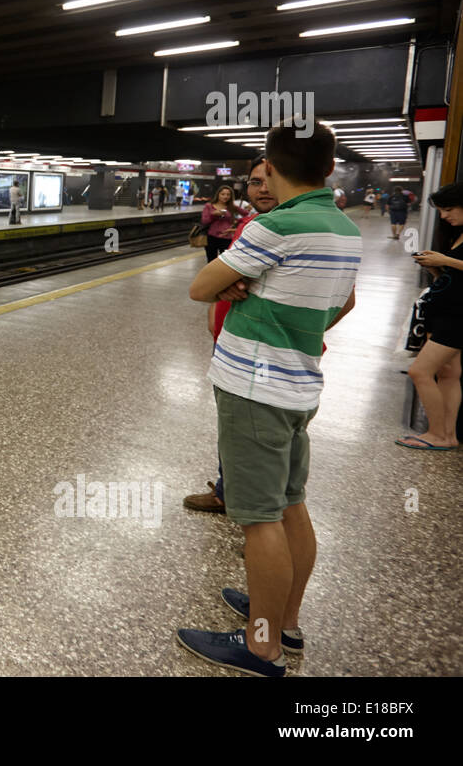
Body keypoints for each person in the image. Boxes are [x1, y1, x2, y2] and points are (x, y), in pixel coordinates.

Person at [179, 123, 360, 676]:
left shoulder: (275, 227)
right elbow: (344, 303)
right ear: (329, 169)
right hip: (300, 384)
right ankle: (282, 620)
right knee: (290, 504)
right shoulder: (344, 229)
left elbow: (200, 287)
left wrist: (241, 287)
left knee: (258, 519)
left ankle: (260, 646)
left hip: (255, 389)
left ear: (273, 169)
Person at [184, 157, 276, 515]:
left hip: (257, 350)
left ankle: (258, 523)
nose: (262, 188)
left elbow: (200, 286)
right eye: (254, 183)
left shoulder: (278, 229)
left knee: (255, 435)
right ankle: (228, 490)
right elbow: (215, 285)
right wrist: (219, 301)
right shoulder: (251, 223)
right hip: (230, 342)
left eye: (270, 180)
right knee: (235, 429)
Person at [399, 182, 463, 450]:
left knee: (419, 371)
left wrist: (445, 261)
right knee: (448, 374)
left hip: (458, 317)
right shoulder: (457, 234)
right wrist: (436, 267)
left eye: (449, 209)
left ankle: (437, 434)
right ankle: (448, 435)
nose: (444, 216)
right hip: (447, 310)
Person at [199, 185, 244, 263]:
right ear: (218, 194)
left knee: (226, 262)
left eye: (228, 194)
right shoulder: (209, 206)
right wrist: (213, 215)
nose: (225, 196)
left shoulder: (232, 207)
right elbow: (204, 221)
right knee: (211, 261)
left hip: (227, 238)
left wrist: (236, 226)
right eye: (223, 194)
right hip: (212, 238)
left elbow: (246, 215)